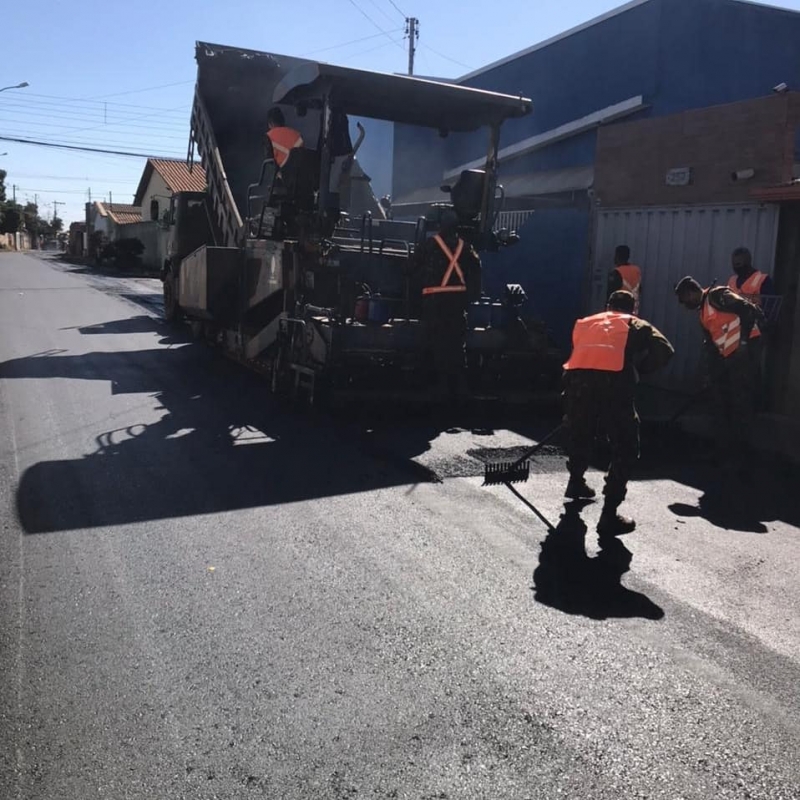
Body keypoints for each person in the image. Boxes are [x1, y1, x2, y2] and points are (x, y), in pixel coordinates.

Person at [562, 290, 674, 535]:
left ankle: (576, 482)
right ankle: (609, 515)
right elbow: (664, 349)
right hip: (614, 387)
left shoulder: (586, 322)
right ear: (632, 308)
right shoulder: (633, 323)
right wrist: (640, 369)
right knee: (625, 446)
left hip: (578, 384)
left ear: (607, 305)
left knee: (581, 433)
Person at [674, 276, 765, 465]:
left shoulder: (718, 296)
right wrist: (710, 374)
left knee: (741, 402)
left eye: (685, 300)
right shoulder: (703, 314)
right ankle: (726, 450)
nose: (685, 305)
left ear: (691, 292)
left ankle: (742, 452)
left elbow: (748, 310)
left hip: (744, 355)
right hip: (730, 359)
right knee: (724, 402)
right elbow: (712, 346)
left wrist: (744, 343)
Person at [413, 209, 482, 401]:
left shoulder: (429, 245)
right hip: (457, 303)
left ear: (439, 226)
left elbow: (410, 268)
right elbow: (476, 272)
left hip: (435, 303)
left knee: (438, 343)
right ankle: (460, 385)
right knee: (457, 343)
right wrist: (471, 298)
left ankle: (441, 384)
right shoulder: (466, 247)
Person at [728, 246, 778, 326]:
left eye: (739, 264)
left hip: (754, 326)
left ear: (748, 262)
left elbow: (770, 309)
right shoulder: (732, 280)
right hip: (733, 326)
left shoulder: (763, 280)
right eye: (734, 265)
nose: (737, 268)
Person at [608, 245, 642, 315]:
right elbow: (640, 289)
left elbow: (611, 294)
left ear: (617, 257)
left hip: (619, 311)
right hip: (633, 310)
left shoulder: (617, 272)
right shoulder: (636, 271)